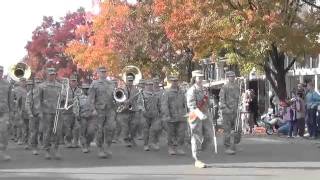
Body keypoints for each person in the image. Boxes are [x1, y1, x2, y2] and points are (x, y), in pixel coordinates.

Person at [186, 70, 213, 168]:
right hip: (196, 116)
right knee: (196, 137)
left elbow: (208, 102)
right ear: (194, 79)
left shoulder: (204, 89)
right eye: (199, 77)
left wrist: (210, 105)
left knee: (209, 135)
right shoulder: (191, 90)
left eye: (202, 77)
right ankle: (197, 159)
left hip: (206, 115)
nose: (201, 79)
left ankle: (199, 149)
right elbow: (191, 106)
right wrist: (200, 114)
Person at [88, 66, 116, 158]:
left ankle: (107, 146)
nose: (103, 73)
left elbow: (115, 97)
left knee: (111, 128)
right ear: (98, 73)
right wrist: (93, 110)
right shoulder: (94, 84)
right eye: (102, 72)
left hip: (110, 109)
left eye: (105, 72)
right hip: (99, 110)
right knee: (99, 130)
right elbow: (91, 99)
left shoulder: (111, 84)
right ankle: (100, 149)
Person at [36, 68, 63, 160]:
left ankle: (56, 149)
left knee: (58, 131)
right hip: (46, 112)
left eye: (53, 74)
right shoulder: (41, 86)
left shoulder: (60, 86)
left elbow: (63, 99)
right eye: (50, 74)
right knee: (47, 132)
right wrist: (39, 112)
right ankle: (47, 150)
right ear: (47, 75)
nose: (52, 75)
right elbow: (38, 100)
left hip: (57, 112)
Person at [162, 75, 187, 155]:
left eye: (176, 81)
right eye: (173, 81)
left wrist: (187, 113)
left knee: (181, 133)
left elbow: (185, 104)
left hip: (181, 116)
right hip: (171, 116)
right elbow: (164, 105)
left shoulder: (182, 92)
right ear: (171, 82)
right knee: (171, 133)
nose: (175, 82)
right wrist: (167, 115)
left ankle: (180, 147)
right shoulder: (167, 92)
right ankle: (171, 148)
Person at [219, 71, 241, 155]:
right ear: (227, 77)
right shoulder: (224, 88)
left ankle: (234, 144)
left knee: (238, 129)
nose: (232, 78)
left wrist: (240, 106)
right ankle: (227, 147)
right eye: (231, 76)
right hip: (227, 113)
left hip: (236, 112)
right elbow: (221, 101)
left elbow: (239, 99)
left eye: (233, 76)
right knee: (227, 131)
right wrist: (226, 109)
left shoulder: (237, 87)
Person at [117, 75, 141, 147]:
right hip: (124, 110)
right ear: (126, 81)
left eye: (131, 80)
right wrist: (124, 102)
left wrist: (132, 103)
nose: (130, 82)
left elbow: (138, 100)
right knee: (125, 127)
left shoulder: (136, 90)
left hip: (133, 109)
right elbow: (118, 99)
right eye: (129, 80)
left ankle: (132, 138)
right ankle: (126, 140)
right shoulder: (122, 89)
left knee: (135, 125)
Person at [73, 83, 95, 153]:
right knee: (83, 132)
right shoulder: (78, 97)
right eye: (85, 88)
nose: (86, 90)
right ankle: (84, 146)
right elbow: (75, 107)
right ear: (82, 89)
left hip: (91, 116)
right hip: (82, 116)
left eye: (88, 88)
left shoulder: (93, 97)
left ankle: (88, 143)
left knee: (91, 132)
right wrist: (77, 115)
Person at [62, 74, 82, 148]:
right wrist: (72, 101)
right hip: (67, 112)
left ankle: (76, 142)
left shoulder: (79, 90)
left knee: (77, 127)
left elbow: (81, 99)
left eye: (75, 81)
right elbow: (63, 99)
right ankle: (68, 141)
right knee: (68, 128)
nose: (74, 82)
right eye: (72, 81)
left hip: (76, 112)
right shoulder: (65, 90)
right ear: (69, 82)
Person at [142, 80, 162, 151]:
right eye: (148, 84)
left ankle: (154, 142)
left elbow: (159, 104)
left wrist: (161, 111)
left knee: (156, 129)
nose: (150, 86)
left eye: (151, 84)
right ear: (145, 85)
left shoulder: (156, 94)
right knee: (146, 130)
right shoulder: (142, 94)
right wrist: (142, 110)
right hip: (145, 115)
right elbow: (139, 104)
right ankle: (146, 144)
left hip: (155, 114)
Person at [11, 77, 29, 148]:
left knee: (26, 126)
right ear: (19, 82)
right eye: (22, 81)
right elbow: (12, 98)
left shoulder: (28, 89)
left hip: (27, 109)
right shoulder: (15, 89)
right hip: (19, 109)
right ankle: (19, 139)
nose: (23, 82)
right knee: (20, 124)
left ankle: (25, 139)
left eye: (24, 81)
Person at [0, 65, 12, 161]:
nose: (0, 73)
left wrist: (11, 112)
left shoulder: (7, 84)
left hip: (4, 111)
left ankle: (3, 152)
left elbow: (10, 99)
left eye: (1, 71)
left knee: (4, 132)